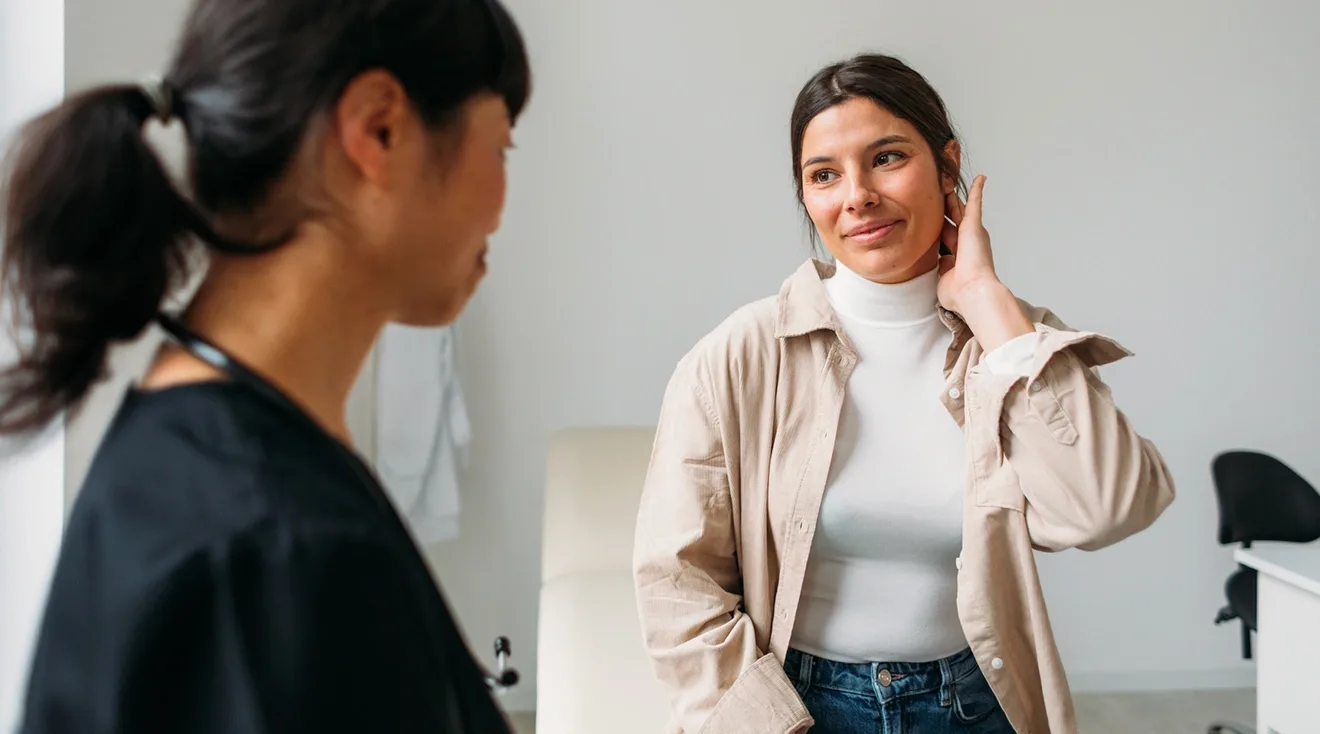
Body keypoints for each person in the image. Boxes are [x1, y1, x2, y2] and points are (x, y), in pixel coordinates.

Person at [0, 0, 529, 731]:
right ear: (379, 128)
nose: (502, 205)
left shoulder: (204, 461)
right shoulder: (281, 553)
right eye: (501, 147)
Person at [632, 53, 1175, 734]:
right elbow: (676, 580)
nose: (856, 195)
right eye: (824, 175)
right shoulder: (739, 355)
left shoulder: (1011, 344)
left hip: (980, 704)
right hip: (797, 708)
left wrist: (987, 301)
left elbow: (1109, 508)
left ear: (947, 166)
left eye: (886, 158)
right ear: (806, 196)